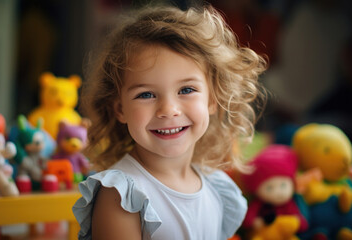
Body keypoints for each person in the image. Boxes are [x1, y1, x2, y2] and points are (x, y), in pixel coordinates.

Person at [72, 3, 267, 240]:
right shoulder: (121, 196)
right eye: (146, 94)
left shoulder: (216, 186)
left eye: (186, 89)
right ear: (120, 109)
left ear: (213, 100)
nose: (168, 110)